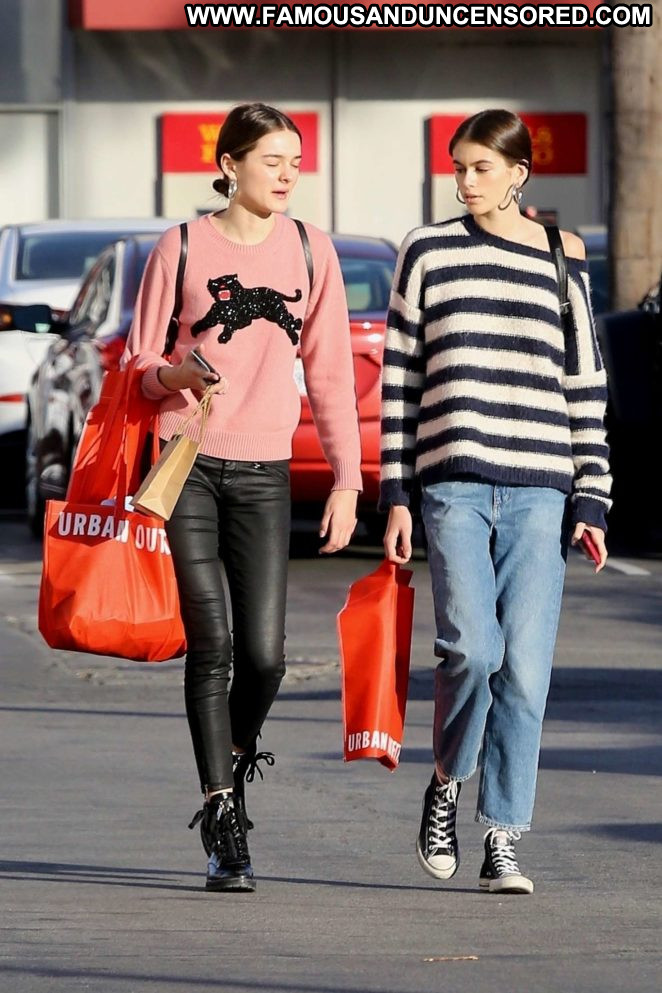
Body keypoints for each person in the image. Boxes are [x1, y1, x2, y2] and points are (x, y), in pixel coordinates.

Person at [123, 103, 362, 892]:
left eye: (296, 160)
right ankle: (223, 815)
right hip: (186, 462)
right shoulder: (182, 246)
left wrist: (347, 479)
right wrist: (176, 374)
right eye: (272, 160)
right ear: (229, 165)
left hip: (264, 473)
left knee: (265, 657)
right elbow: (137, 365)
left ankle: (229, 756)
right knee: (213, 645)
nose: (289, 174)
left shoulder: (312, 250)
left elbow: (330, 375)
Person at [380, 109, 611, 895]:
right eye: (458, 166)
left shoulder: (563, 254)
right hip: (453, 479)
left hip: (543, 485)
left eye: (481, 167)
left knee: (526, 671)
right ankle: (447, 780)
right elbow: (401, 378)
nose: (465, 181)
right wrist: (396, 491)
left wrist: (593, 494)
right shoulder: (427, 250)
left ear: (519, 173)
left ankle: (502, 835)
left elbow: (584, 380)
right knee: (472, 650)